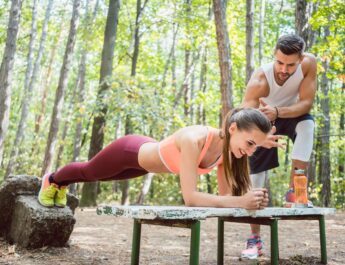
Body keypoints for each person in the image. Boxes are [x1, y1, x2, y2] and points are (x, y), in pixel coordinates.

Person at [38, 108, 272, 211]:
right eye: (250, 143)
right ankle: (53, 180)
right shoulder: (195, 139)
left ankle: (61, 184)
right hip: (130, 151)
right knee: (90, 172)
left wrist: (249, 199)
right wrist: (241, 202)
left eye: (256, 147)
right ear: (232, 128)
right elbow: (190, 198)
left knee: (103, 179)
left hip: (144, 166)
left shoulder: (227, 154)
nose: (251, 152)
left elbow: (224, 199)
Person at [240, 34, 317, 259]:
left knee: (307, 126)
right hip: (260, 119)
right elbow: (244, 119)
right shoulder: (259, 81)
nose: (283, 69)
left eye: (290, 64)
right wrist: (260, 137)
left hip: (291, 114)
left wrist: (278, 111)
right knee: (257, 173)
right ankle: (254, 239)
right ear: (274, 56)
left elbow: (306, 103)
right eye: (279, 62)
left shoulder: (310, 64)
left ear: (301, 60)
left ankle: (296, 192)